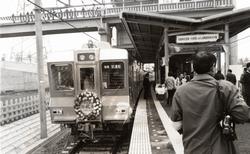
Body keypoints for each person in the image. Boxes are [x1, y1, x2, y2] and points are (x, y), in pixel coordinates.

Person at [171, 51, 249, 154]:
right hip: (220, 149)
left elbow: (176, 125)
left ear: (194, 68)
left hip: (192, 148)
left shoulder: (180, 91)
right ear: (213, 67)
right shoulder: (225, 87)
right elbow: (243, 115)